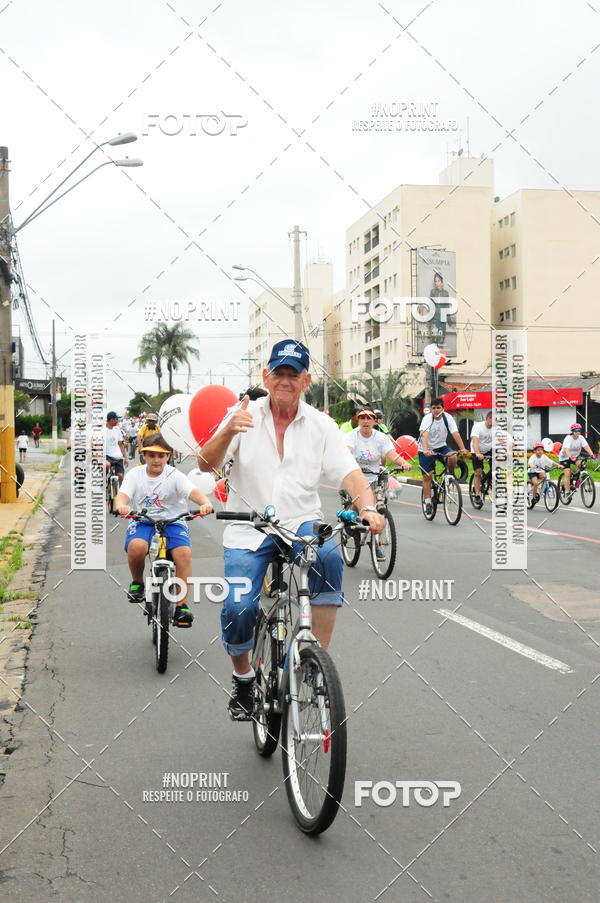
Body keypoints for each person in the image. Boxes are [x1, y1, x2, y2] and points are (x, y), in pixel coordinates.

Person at [197, 339, 384, 719]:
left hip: (300, 523)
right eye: (278, 373)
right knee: (238, 606)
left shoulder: (321, 425)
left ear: (306, 380)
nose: (285, 380)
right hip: (248, 527)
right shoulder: (242, 414)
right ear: (265, 376)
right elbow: (205, 464)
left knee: (329, 558)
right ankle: (244, 677)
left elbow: (350, 473)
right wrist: (228, 431)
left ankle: (314, 663)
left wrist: (368, 507)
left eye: (292, 374)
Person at [115, 434, 213, 627]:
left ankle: (182, 606)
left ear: (168, 456)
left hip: (173, 522)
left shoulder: (175, 475)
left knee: (183, 554)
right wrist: (121, 506)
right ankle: (138, 583)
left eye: (161, 456)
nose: (156, 460)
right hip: (144, 521)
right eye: (151, 455)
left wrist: (205, 503)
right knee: (136, 547)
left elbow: (193, 492)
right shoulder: (135, 475)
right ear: (144, 455)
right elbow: (122, 496)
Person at [346, 409, 410, 559]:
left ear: (375, 421)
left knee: (378, 507)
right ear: (358, 420)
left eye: (369, 418)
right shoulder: (352, 436)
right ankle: (351, 523)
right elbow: (347, 451)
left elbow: (391, 455)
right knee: (358, 505)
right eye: (362, 418)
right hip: (356, 477)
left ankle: (376, 545)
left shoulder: (381, 438)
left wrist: (403, 462)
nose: (365, 421)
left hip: (375, 477)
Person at [418, 397, 468, 516]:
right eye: (433, 408)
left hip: (441, 446)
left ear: (443, 408)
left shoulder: (448, 418)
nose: (436, 410)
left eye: (438, 408)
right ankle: (428, 501)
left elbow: (455, 434)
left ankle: (450, 476)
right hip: (426, 449)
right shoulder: (427, 419)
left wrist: (462, 448)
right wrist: (425, 450)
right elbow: (424, 435)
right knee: (427, 476)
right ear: (431, 409)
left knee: (453, 456)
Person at [558, 423, 594, 492]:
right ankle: (567, 492)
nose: (578, 432)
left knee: (582, 465)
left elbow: (586, 447)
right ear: (572, 431)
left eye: (579, 431)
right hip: (564, 458)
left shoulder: (581, 438)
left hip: (575, 457)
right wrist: (570, 457)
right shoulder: (568, 438)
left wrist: (592, 454)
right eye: (576, 431)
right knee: (568, 473)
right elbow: (566, 449)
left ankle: (575, 481)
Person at [470, 411, 494, 503]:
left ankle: (486, 481)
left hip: (489, 449)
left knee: (497, 468)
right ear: (488, 418)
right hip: (477, 450)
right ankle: (477, 494)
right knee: (478, 472)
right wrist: (477, 453)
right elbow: (475, 441)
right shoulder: (477, 427)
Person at [105, 411, 127, 485]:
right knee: (106, 465)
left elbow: (121, 444)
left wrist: (125, 458)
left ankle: (119, 491)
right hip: (106, 456)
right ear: (111, 420)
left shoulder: (117, 429)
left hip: (118, 456)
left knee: (120, 476)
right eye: (116, 419)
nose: (118, 421)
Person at [430, 272, 450, 346]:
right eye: (435, 281)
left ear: (442, 282)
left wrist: (449, 320)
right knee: (434, 341)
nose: (437, 283)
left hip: (442, 320)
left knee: (441, 341)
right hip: (434, 319)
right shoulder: (433, 292)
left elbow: (447, 307)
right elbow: (431, 305)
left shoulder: (445, 293)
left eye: (438, 281)